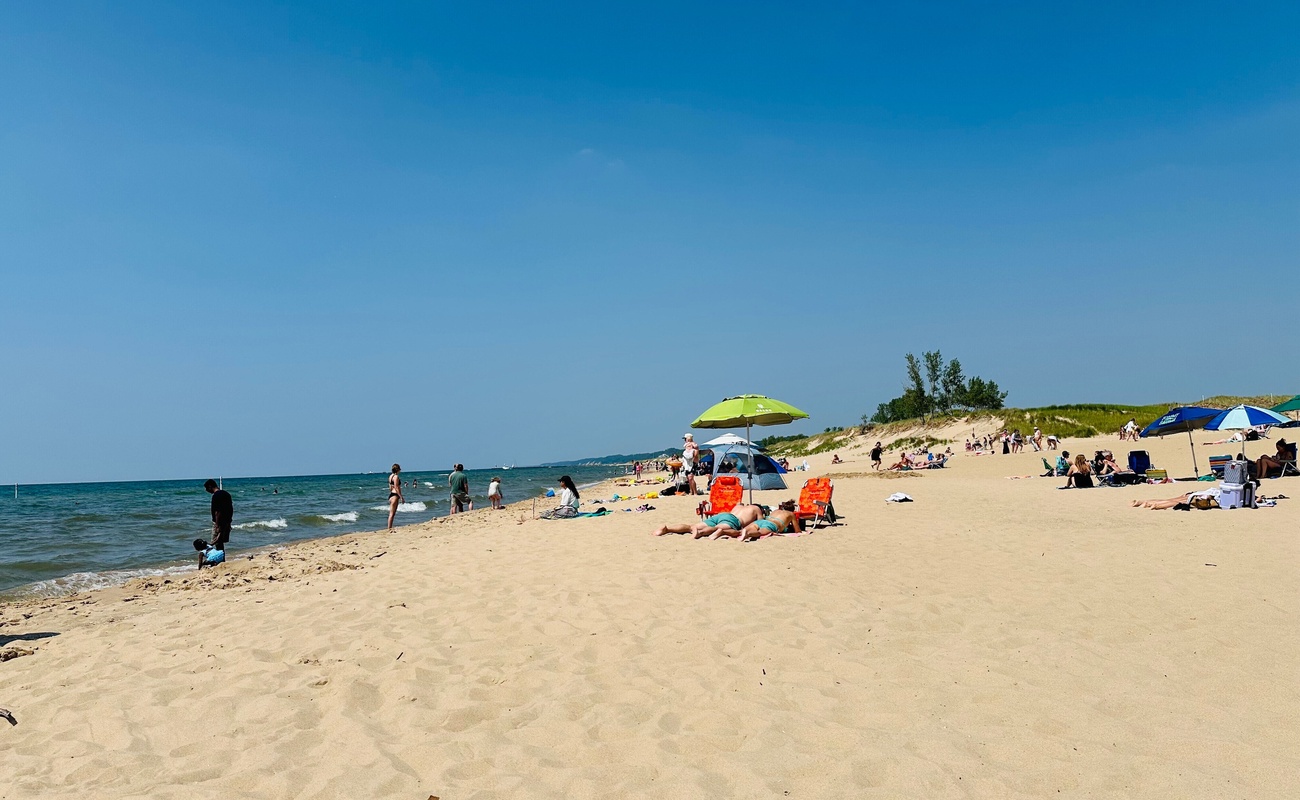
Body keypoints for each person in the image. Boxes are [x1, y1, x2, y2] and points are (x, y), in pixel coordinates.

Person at [653, 504, 763, 538]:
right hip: (733, 520)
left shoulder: (739, 506)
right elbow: (760, 523)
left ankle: (667, 529)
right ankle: (700, 533)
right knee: (716, 528)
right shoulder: (756, 509)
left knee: (691, 526)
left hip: (723, 515)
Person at [735, 503, 802, 541]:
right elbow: (797, 530)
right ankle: (748, 534)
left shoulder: (776, 510)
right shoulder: (791, 514)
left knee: (745, 530)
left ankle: (743, 531)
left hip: (762, 521)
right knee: (760, 532)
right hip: (771, 525)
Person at [204, 479, 233, 551]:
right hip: (227, 521)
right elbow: (230, 509)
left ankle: (218, 557)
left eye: (206, 488)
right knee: (220, 541)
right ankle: (221, 557)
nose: (206, 490)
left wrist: (217, 525)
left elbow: (218, 512)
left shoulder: (216, 496)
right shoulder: (226, 494)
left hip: (219, 522)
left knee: (216, 542)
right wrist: (229, 521)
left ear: (210, 486)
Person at [385, 464, 403, 529]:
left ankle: (390, 527)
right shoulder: (396, 477)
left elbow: (390, 486)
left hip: (391, 494)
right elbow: (396, 487)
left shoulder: (390, 476)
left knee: (392, 513)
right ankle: (389, 528)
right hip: (395, 495)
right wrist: (401, 497)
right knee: (392, 514)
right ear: (397, 470)